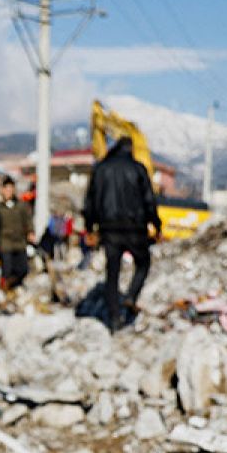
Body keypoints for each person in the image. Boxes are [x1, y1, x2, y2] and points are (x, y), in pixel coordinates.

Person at [82, 137, 160, 331]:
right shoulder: (138, 168)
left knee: (112, 272)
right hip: (136, 228)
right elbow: (149, 199)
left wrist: (90, 227)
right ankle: (131, 296)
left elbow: (90, 201)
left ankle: (114, 318)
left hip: (109, 229)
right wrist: (155, 224)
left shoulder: (101, 169)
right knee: (143, 262)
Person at [0, 175, 32, 290]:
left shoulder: (21, 206)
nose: (8, 191)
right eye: (6, 189)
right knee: (7, 270)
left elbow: (27, 220)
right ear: (2, 190)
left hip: (19, 242)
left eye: (11, 188)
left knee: (23, 269)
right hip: (5, 242)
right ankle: (7, 288)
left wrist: (30, 232)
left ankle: (16, 286)